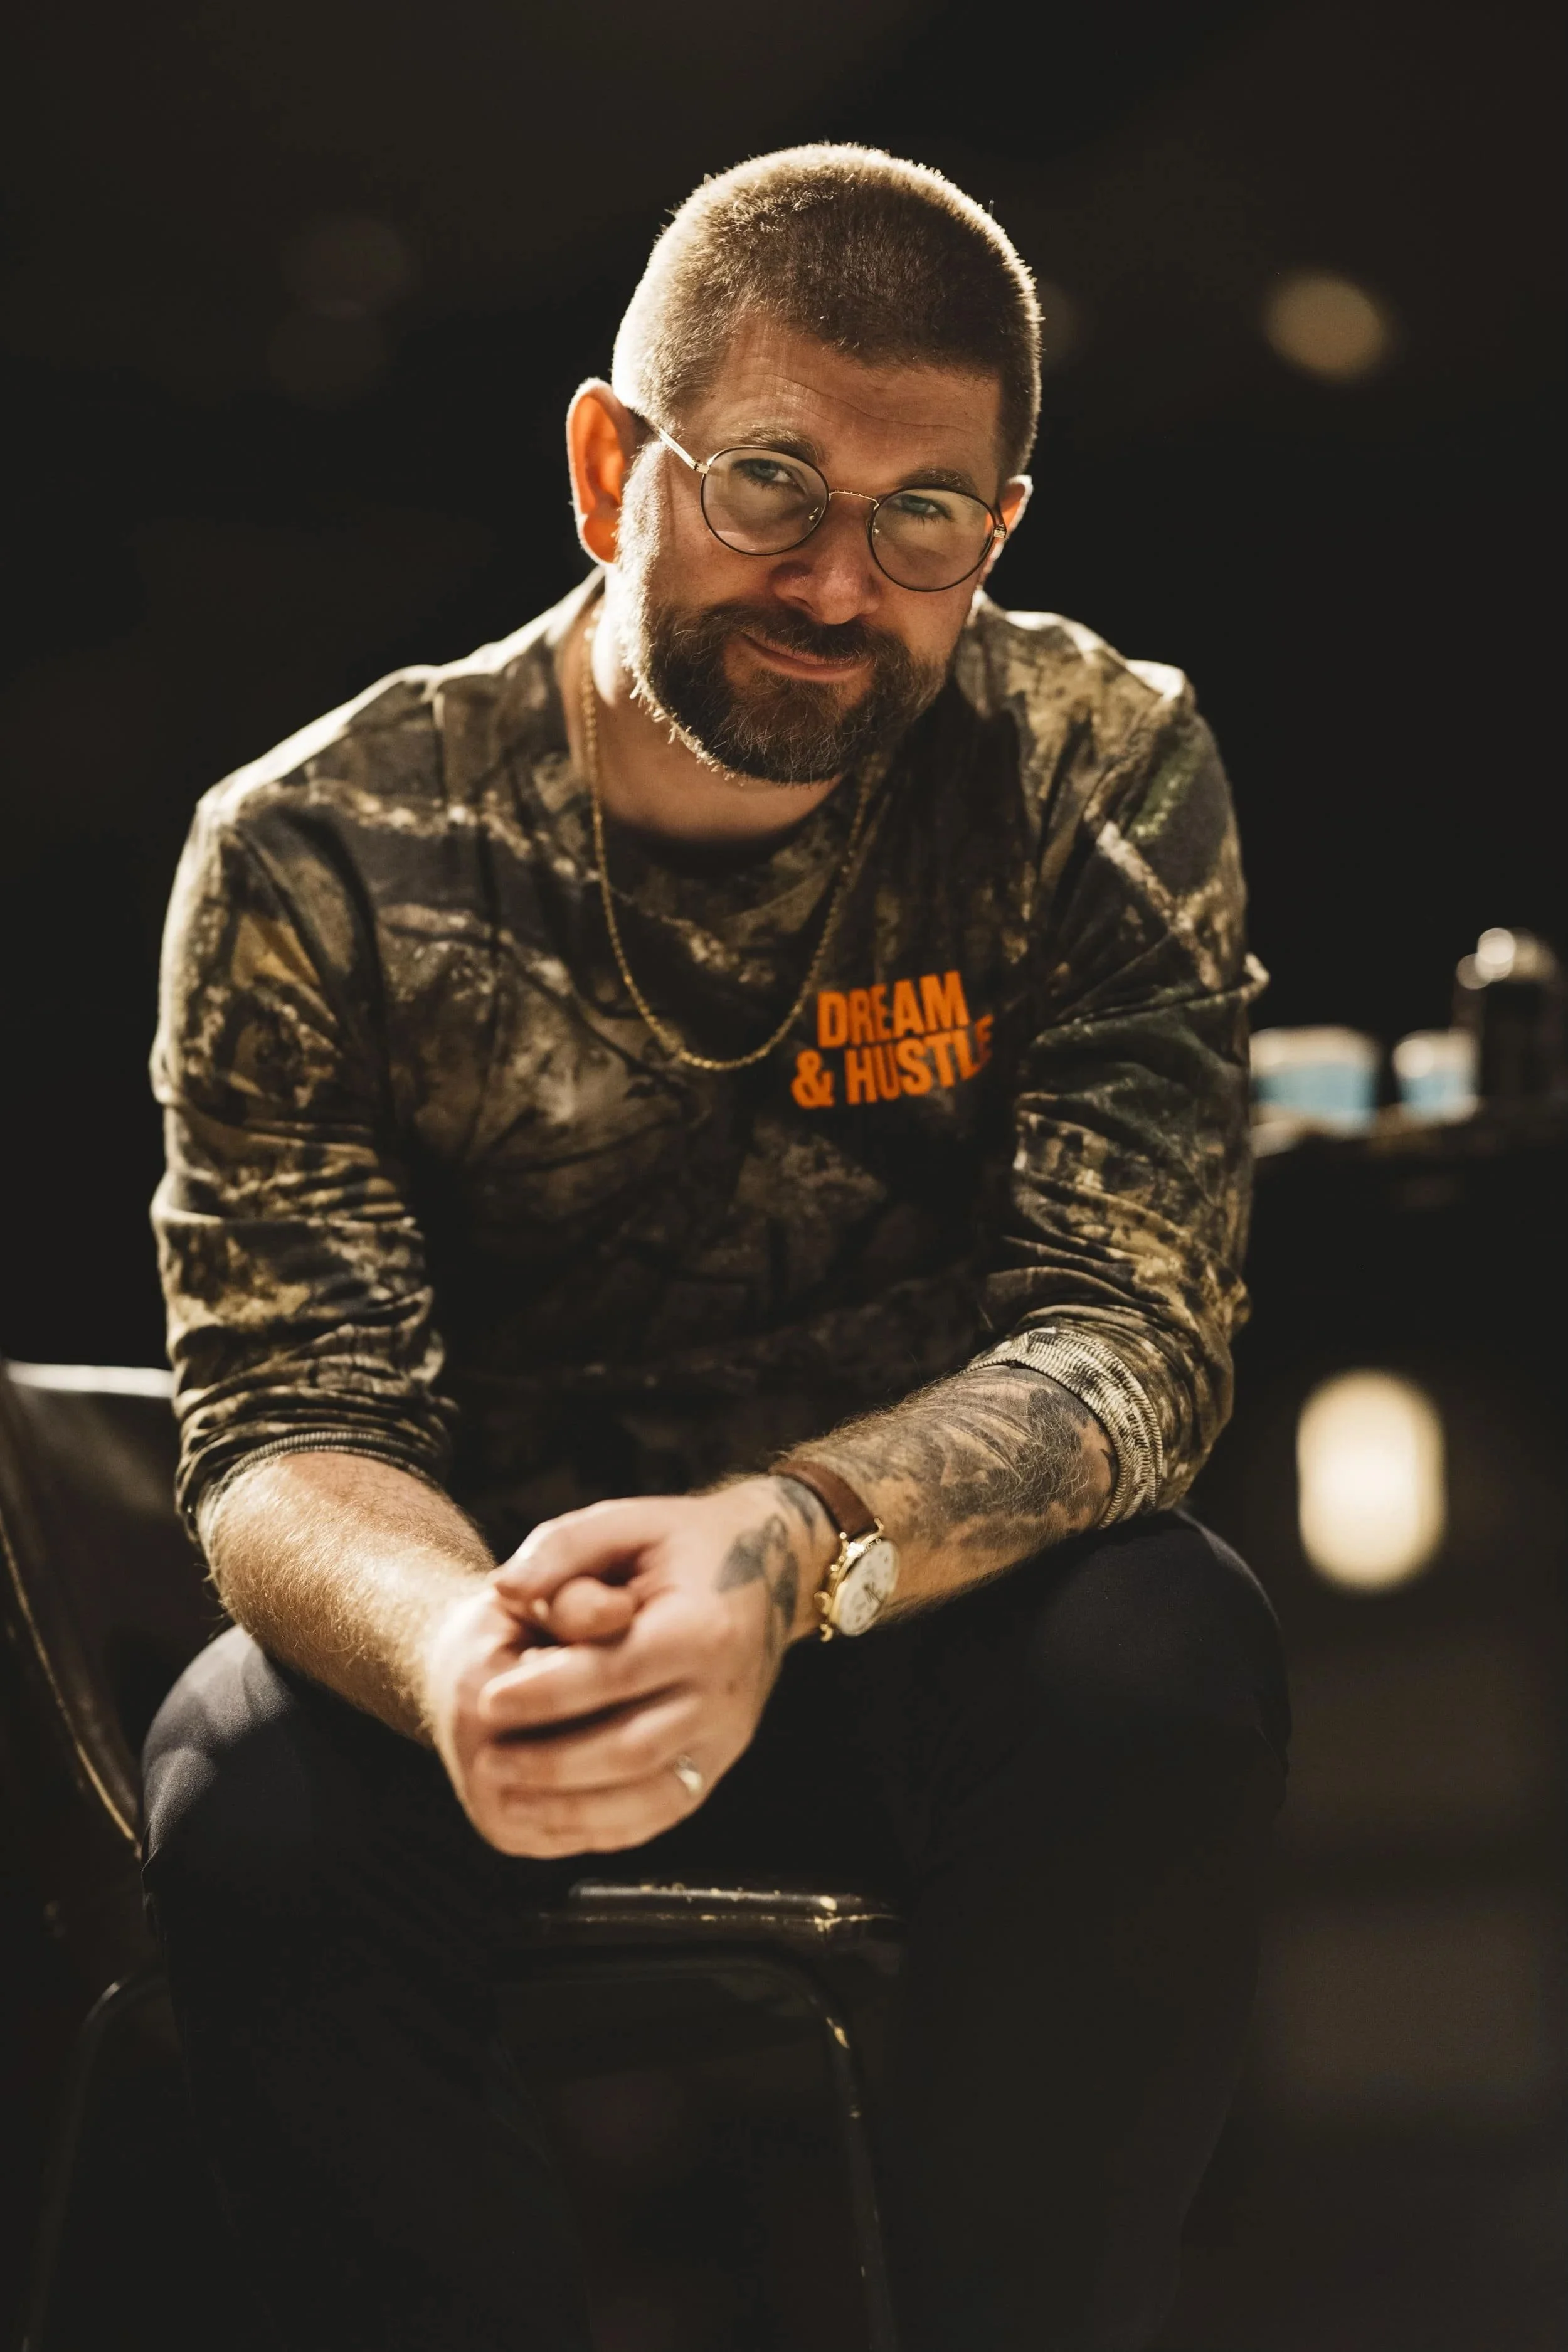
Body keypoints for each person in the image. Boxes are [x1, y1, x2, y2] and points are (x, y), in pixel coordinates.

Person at [142, 145, 1288, 2352]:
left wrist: (789, 1542)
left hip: (906, 1619)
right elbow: (284, 1424)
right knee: (236, 1781)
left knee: (1166, 1650)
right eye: (769, 479)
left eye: (920, 514)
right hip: (499, 1640)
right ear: (608, 464)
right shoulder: (314, 849)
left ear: (997, 534)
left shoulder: (1092, 767)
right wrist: (451, 1643)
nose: (840, 584)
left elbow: (1130, 1331)